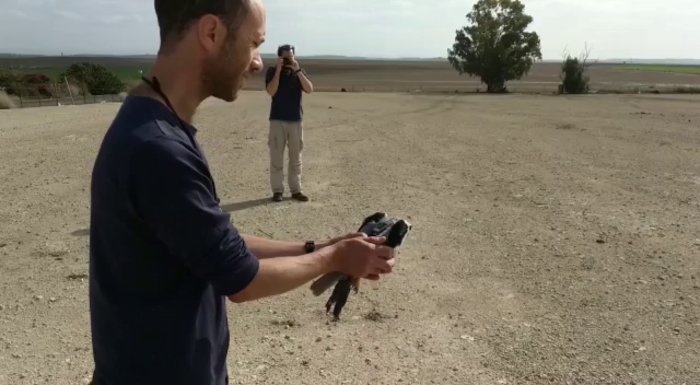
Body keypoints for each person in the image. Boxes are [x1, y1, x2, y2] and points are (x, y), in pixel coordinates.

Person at [87, 1, 396, 384]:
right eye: (253, 43)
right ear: (212, 33)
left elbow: (217, 243)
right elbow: (243, 280)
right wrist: (335, 257)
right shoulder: (159, 150)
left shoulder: (152, 125)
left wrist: (316, 247)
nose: (255, 62)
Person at [265, 44, 313, 202]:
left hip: (295, 121)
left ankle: (296, 190)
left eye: (290, 57)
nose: (287, 60)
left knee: (296, 158)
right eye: (285, 57)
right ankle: (277, 191)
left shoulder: (298, 73)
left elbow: (309, 89)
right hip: (277, 119)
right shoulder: (272, 71)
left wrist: (297, 70)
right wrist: (279, 70)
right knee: (276, 157)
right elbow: (271, 91)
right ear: (279, 57)